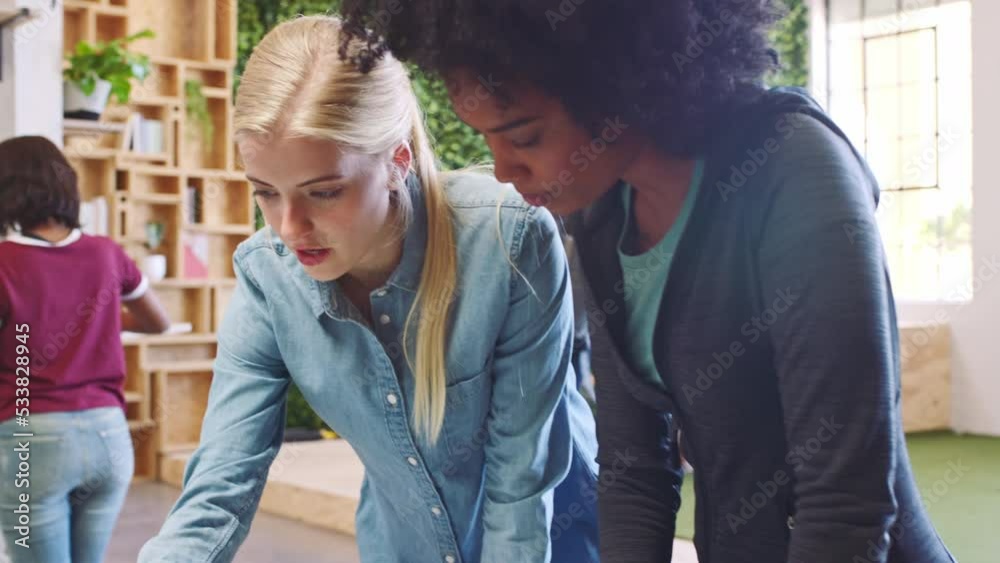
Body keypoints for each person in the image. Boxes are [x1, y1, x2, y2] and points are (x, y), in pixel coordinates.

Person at [337, 1, 958, 561]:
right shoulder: (604, 212)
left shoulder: (797, 174)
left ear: (615, 86)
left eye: (524, 135)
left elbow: (845, 504)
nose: (503, 170)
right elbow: (635, 472)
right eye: (489, 142)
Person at [138, 16, 599, 563]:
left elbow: (519, 483)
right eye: (266, 193)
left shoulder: (508, 239)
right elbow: (219, 483)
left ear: (396, 162)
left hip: (552, 541)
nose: (289, 228)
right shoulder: (269, 278)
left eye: (325, 192)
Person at [0, 135, 171, 563]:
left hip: (29, 440)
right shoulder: (106, 254)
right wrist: (93, 317)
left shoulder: (4, 262)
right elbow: (158, 322)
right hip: (109, 437)